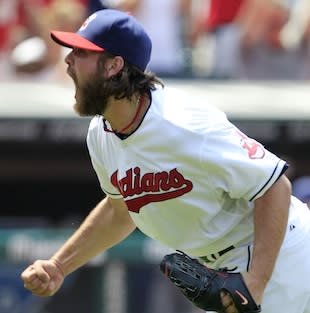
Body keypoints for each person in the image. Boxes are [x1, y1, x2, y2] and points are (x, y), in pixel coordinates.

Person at [20, 8, 310, 313]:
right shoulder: (101, 134)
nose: (68, 59)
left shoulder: (182, 124)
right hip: (235, 269)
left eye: (81, 52)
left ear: (114, 66)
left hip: (280, 254)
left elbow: (274, 185)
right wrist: (59, 266)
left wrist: (255, 282)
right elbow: (120, 211)